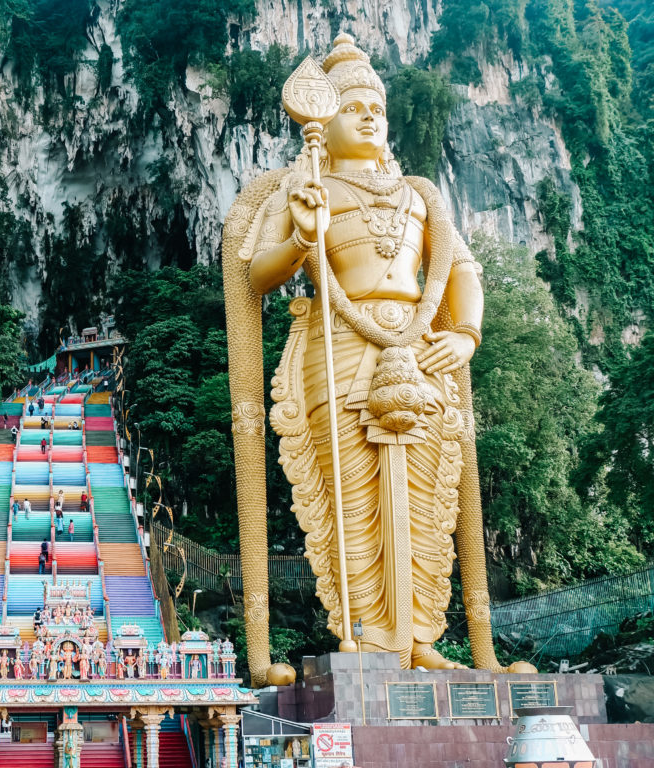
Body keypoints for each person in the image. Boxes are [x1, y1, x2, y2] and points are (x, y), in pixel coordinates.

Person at [223, 33, 529, 675]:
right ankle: (366, 636)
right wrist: (303, 238)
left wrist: (465, 333)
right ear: (321, 123)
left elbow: (460, 269)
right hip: (336, 349)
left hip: (420, 351)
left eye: (376, 108)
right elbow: (255, 275)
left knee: (426, 497)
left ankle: (421, 640)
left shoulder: (420, 193)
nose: (368, 116)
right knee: (352, 499)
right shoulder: (306, 187)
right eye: (351, 106)